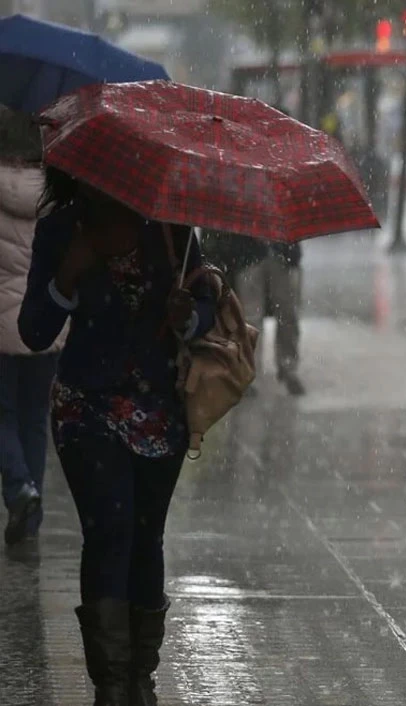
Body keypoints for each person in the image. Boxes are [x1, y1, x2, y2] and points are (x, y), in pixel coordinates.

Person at [19, 167, 217, 706]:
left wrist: (189, 317)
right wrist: (67, 279)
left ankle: (140, 680)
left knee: (146, 538)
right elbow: (33, 331)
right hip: (86, 408)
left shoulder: (170, 230)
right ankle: (111, 684)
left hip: (159, 410)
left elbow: (207, 303)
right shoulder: (62, 230)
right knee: (110, 530)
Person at [0, 154, 63, 546]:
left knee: (2, 411)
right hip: (42, 322)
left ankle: (20, 488)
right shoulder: (56, 193)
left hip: (0, 326)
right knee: (35, 417)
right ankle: (31, 510)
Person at [204, 229, 305, 396]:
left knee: (287, 314)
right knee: (251, 318)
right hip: (249, 256)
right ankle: (251, 374)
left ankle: (288, 368)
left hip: (280, 254)